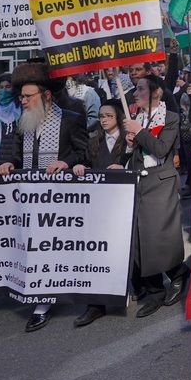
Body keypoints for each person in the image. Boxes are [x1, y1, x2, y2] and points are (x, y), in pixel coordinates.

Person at [0, 61, 89, 331]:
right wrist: (7, 164)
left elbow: (84, 153)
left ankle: (43, 300)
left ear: (46, 95)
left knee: (51, 248)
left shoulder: (70, 118)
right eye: (21, 96)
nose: (22, 101)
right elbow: (13, 155)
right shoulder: (21, 122)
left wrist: (66, 162)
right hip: (27, 199)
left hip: (59, 200)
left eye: (27, 96)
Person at [124, 76, 190, 319]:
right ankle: (154, 290)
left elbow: (162, 149)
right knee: (139, 238)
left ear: (156, 93)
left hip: (161, 181)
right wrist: (130, 144)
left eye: (141, 89)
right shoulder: (135, 119)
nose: (135, 93)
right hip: (139, 180)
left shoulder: (170, 118)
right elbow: (133, 153)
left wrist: (139, 133)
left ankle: (177, 273)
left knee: (159, 235)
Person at [71, 99, 132, 327]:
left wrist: (124, 168)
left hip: (123, 203)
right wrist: (80, 167)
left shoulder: (129, 140)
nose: (104, 120)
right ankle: (95, 304)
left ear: (118, 117)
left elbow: (138, 164)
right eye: (101, 116)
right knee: (97, 252)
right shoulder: (92, 141)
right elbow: (86, 161)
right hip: (99, 204)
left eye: (109, 116)